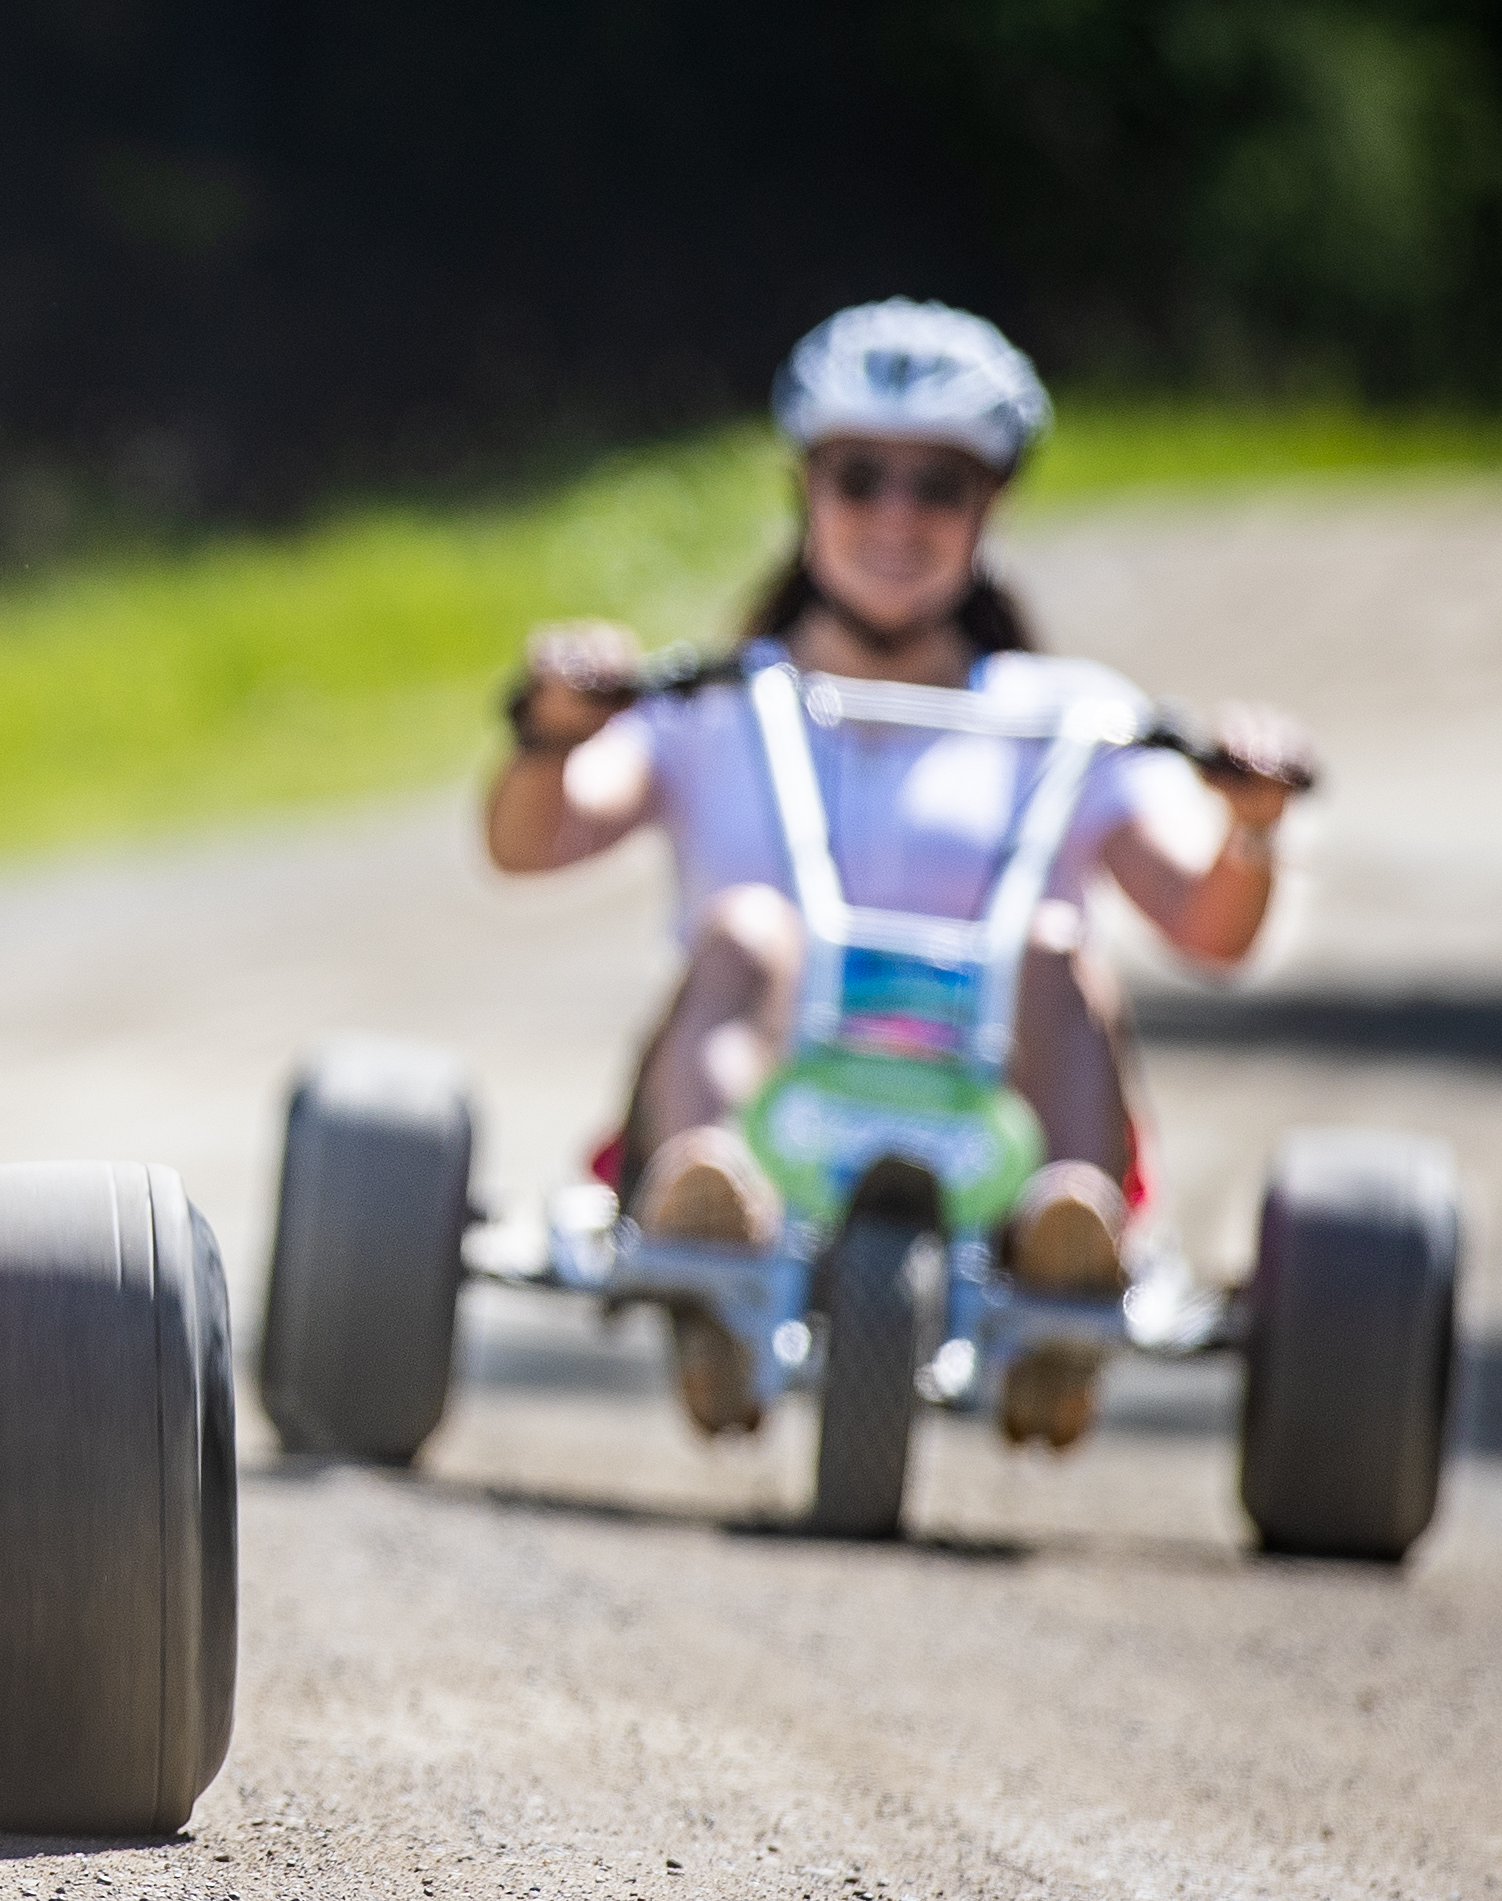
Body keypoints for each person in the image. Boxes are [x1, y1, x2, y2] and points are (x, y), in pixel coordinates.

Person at [482, 300, 1315, 1447]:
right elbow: (531, 844)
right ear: (806, 493)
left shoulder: (1072, 717)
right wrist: (551, 733)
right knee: (750, 928)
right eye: (860, 478)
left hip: (1002, 1136)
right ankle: (711, 1230)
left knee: (1051, 950)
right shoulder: (719, 698)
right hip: (764, 1119)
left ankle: (1060, 1271)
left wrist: (1251, 826)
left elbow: (1212, 932)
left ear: (989, 510)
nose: (895, 516)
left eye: (939, 488)